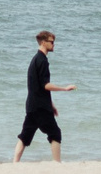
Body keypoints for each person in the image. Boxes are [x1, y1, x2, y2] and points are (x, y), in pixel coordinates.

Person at [13, 30, 75, 161]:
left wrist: (52, 105)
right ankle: (57, 163)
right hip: (41, 107)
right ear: (43, 42)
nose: (53, 44)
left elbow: (38, 87)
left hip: (32, 106)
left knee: (25, 136)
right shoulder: (42, 60)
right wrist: (64, 88)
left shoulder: (35, 59)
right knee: (55, 133)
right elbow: (45, 85)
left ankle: (14, 163)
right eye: (51, 42)